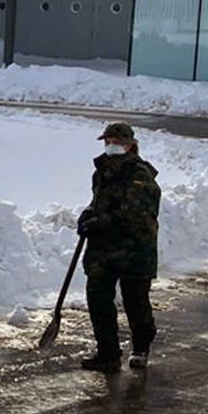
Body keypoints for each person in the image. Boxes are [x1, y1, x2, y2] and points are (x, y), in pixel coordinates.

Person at [76, 121, 160, 373]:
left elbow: (135, 214)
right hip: (104, 249)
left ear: (130, 145)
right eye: (108, 142)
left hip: (135, 248)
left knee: (135, 300)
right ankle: (108, 352)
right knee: (98, 297)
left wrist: (100, 222)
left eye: (117, 143)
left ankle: (141, 347)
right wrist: (88, 214)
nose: (111, 147)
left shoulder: (139, 175)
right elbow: (101, 202)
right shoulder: (102, 170)